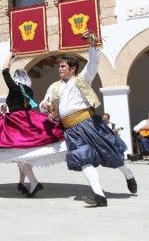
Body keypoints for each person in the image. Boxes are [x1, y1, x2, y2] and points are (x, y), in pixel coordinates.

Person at [39, 31, 136, 207]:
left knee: (110, 153)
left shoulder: (81, 79)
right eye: (59, 66)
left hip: (88, 123)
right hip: (71, 129)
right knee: (83, 158)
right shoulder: (53, 87)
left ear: (72, 68)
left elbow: (93, 63)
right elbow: (44, 102)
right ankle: (99, 195)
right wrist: (44, 105)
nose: (59, 69)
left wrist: (92, 45)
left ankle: (128, 174)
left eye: (63, 66)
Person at [0, 51, 66, 197]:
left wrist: (10, 57)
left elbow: (4, 70)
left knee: (19, 154)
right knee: (20, 154)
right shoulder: (28, 90)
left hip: (16, 121)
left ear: (17, 80)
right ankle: (22, 183)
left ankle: (34, 183)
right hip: (29, 119)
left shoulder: (15, 87)